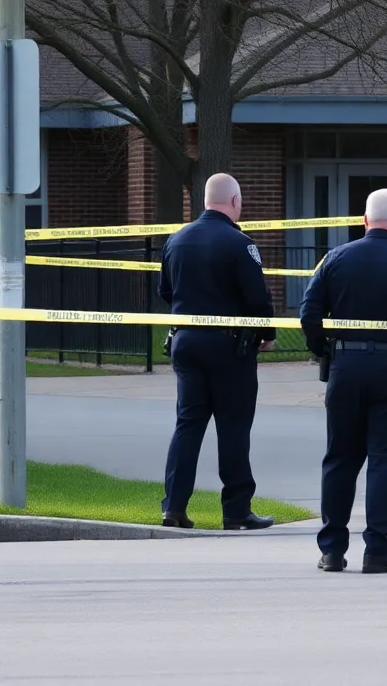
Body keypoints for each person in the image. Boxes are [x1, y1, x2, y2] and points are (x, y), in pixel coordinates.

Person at [300, 187, 387, 574]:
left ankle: (331, 550)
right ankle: (377, 549)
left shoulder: (334, 259)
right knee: (384, 460)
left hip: (344, 370)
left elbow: (308, 314)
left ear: (363, 220)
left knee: (340, 459)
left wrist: (323, 351)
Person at [157, 172, 278, 530]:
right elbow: (258, 298)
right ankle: (237, 510)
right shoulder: (240, 243)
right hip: (229, 346)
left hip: (186, 341)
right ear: (235, 202)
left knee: (188, 424)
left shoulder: (176, 240)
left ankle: (173, 507)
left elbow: (165, 290)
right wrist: (267, 334)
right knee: (233, 426)